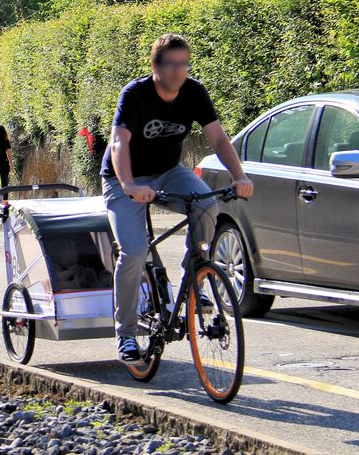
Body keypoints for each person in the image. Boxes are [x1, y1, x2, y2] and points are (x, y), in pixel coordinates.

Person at [102, 33, 253, 364]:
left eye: (183, 64)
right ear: (155, 65)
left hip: (168, 172)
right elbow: (119, 144)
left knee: (207, 203)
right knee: (134, 251)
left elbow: (218, 139)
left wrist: (239, 176)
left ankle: (195, 275)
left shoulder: (194, 92)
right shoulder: (136, 94)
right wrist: (128, 184)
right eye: (171, 65)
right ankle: (125, 333)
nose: (177, 72)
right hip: (123, 179)